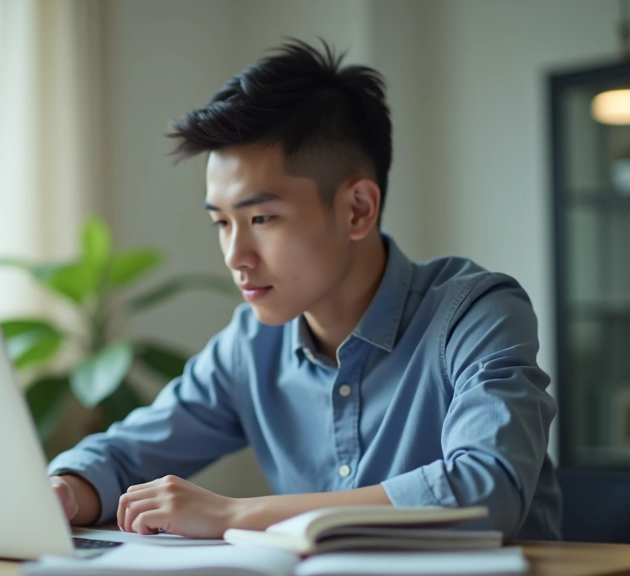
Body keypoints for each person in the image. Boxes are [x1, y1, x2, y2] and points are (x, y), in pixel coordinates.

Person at [46, 39, 561, 541]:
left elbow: (486, 490)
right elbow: (123, 456)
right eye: (222, 223)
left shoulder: (476, 313)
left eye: (262, 217)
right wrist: (67, 490)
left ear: (358, 208)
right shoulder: (251, 344)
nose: (235, 256)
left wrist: (235, 514)